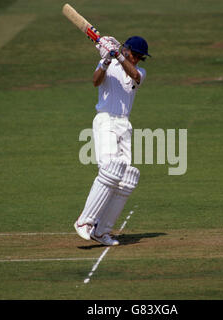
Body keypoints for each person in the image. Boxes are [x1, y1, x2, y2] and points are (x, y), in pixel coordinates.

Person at [74, 36, 151, 246]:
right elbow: (95, 81)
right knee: (109, 168)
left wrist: (117, 55)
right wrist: (107, 60)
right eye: (134, 55)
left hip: (124, 124)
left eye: (139, 58)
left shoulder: (138, 71)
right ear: (127, 50)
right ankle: (84, 221)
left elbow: (134, 74)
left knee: (127, 178)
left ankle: (101, 230)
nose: (136, 60)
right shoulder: (107, 62)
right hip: (106, 119)